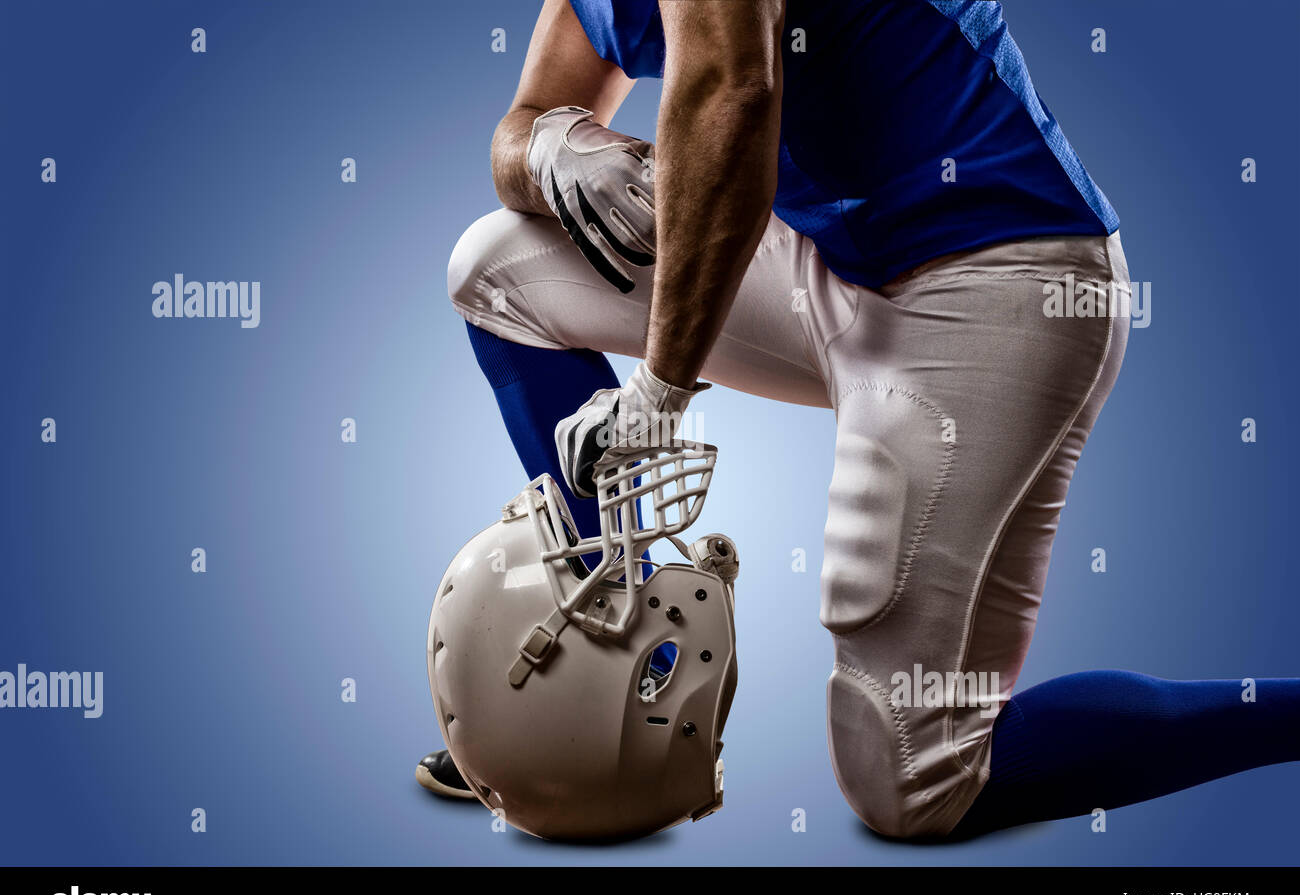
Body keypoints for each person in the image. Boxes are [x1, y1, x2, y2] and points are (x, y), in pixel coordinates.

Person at [418, 0, 1300, 839]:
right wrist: (555, 146)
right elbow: (524, 117)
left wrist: (659, 392)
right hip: (830, 264)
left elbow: (734, 87)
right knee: (493, 268)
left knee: (912, 781)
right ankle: (599, 652)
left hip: (997, 280)